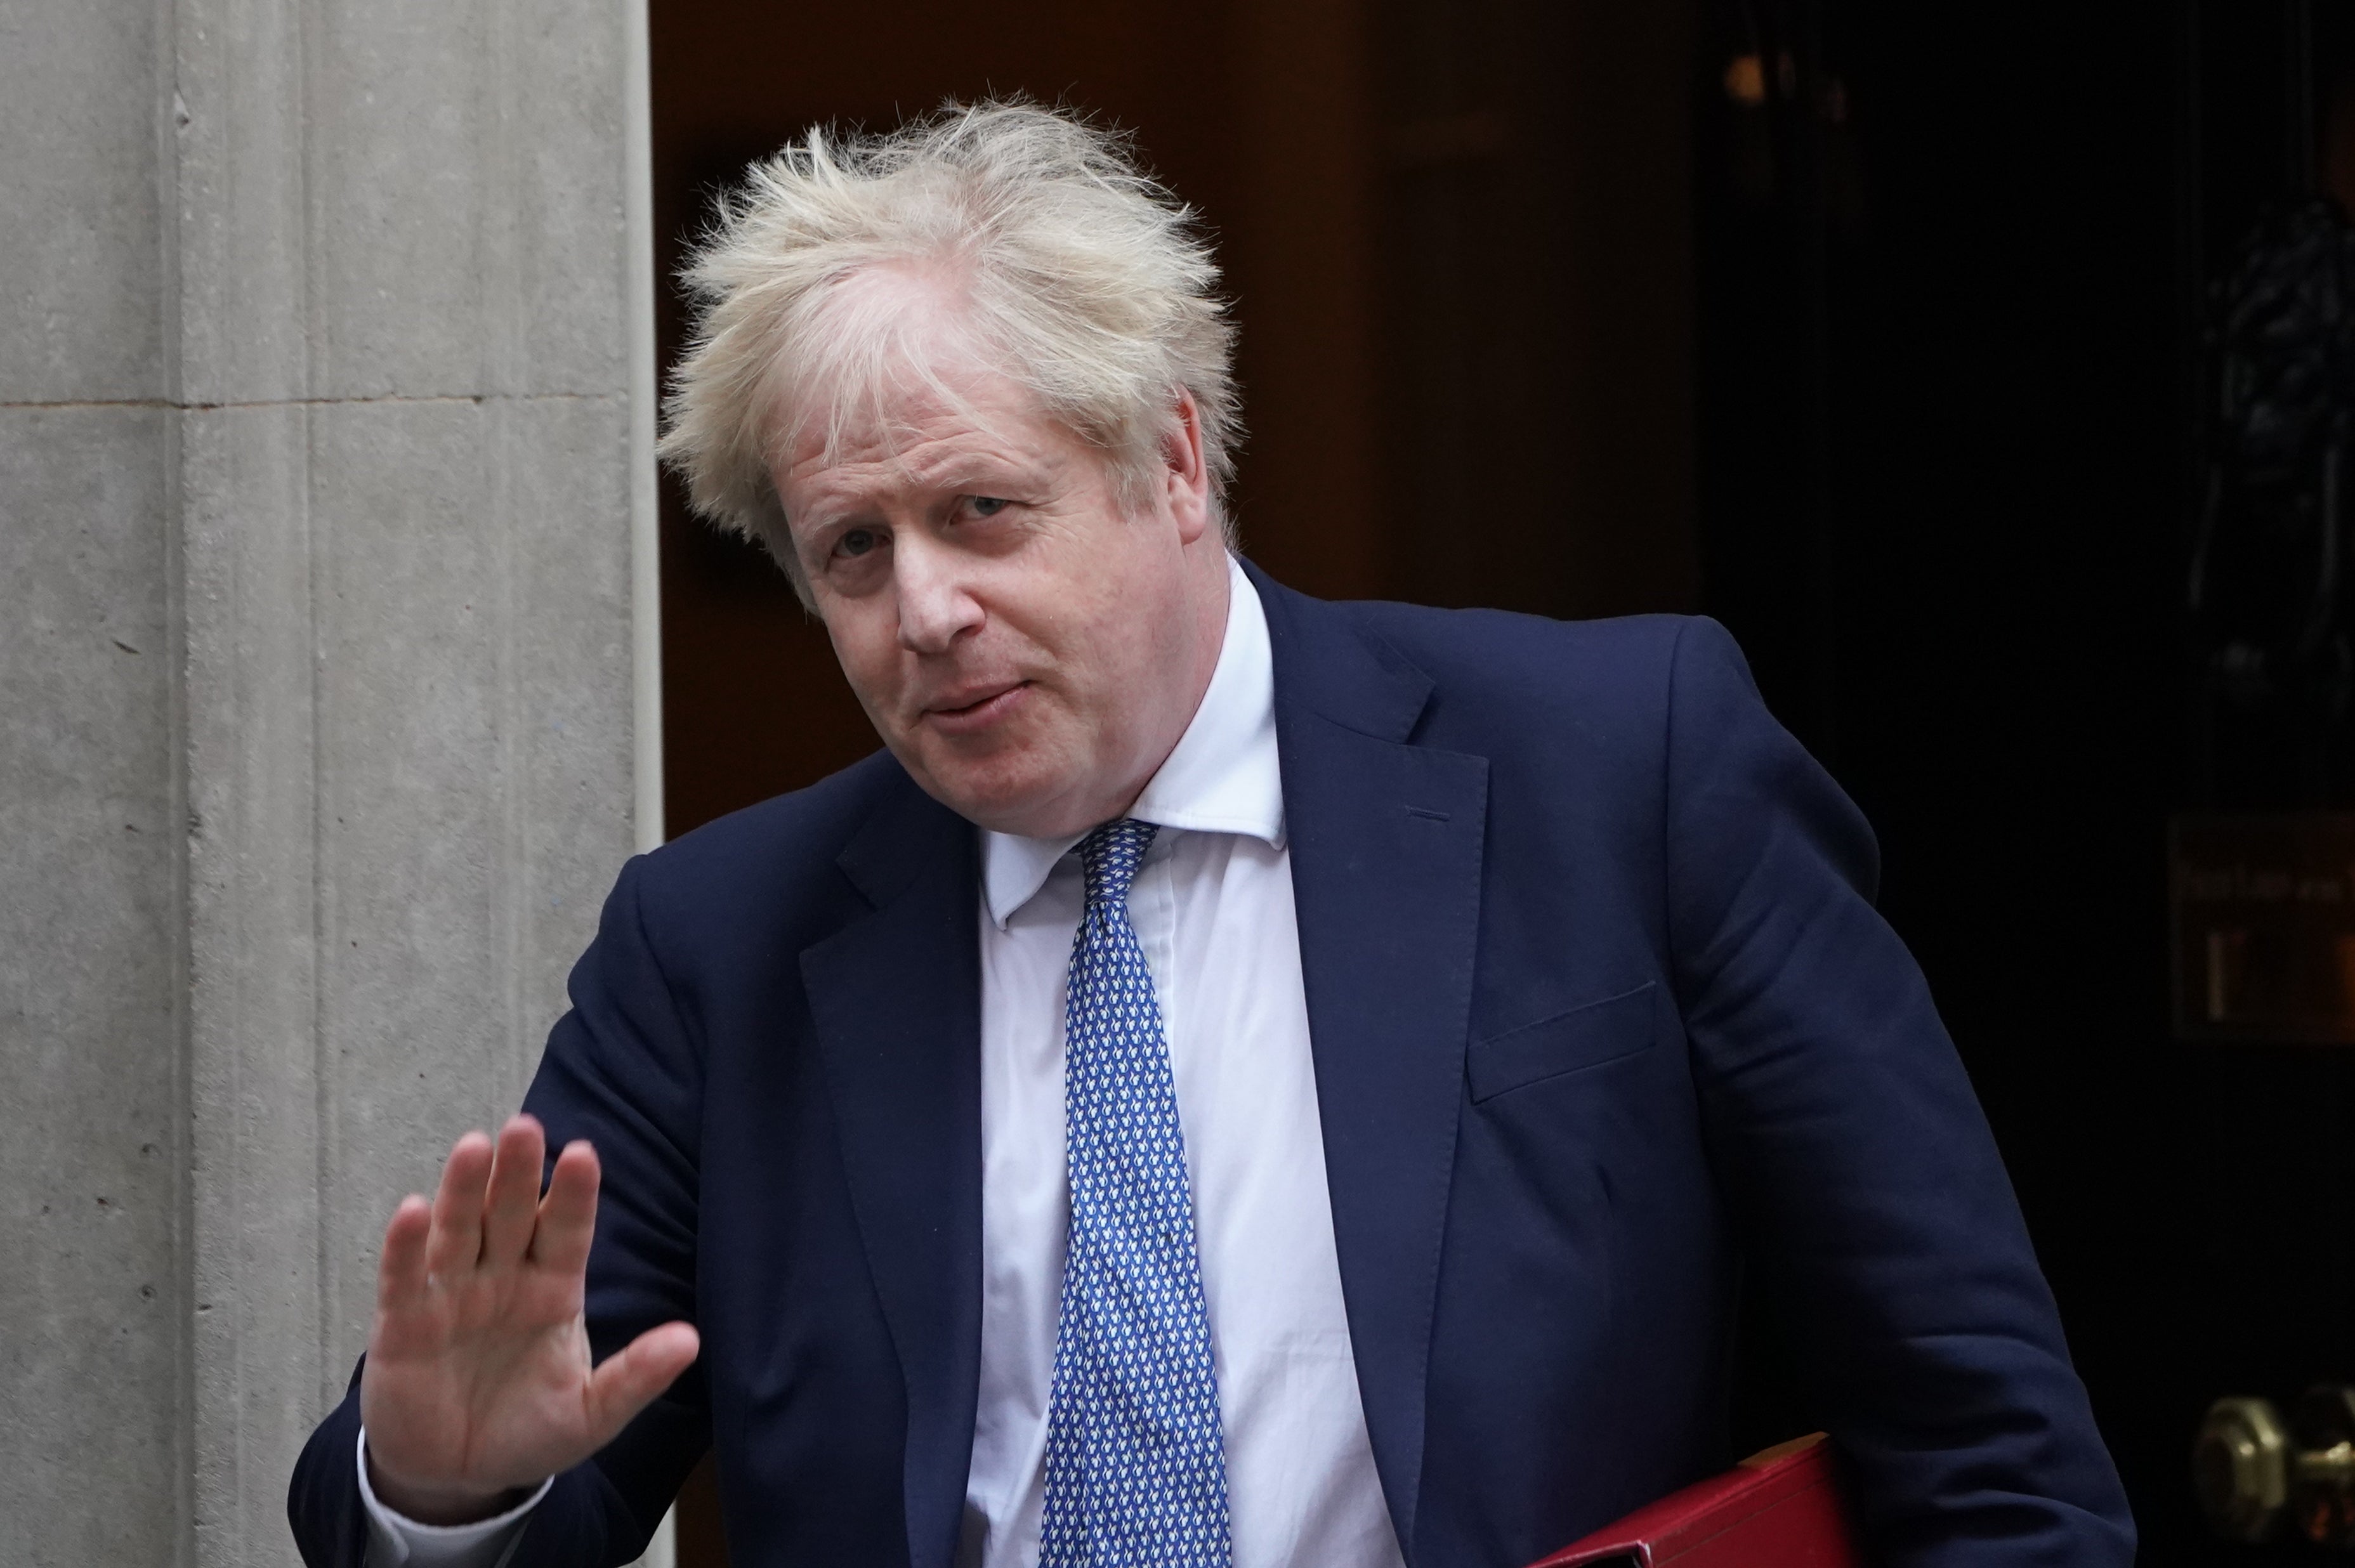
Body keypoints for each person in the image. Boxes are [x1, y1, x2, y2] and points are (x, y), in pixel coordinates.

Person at [288, 101, 2134, 1568]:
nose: (922, 611)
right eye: (856, 550)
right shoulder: (719, 950)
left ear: (1175, 464)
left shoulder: (1620, 776)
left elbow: (1983, 1451)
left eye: (984, 511)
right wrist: (451, 1499)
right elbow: (540, 1467)